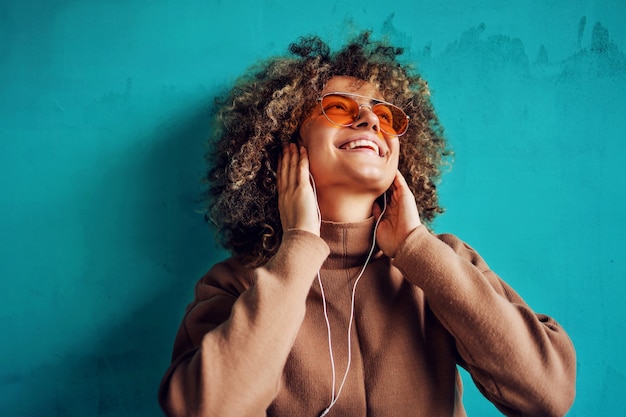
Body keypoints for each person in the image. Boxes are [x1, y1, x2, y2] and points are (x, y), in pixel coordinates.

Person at [158, 32, 576, 417]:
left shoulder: (442, 261)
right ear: (286, 143)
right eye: (340, 107)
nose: (371, 121)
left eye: (386, 116)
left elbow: (549, 392)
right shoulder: (237, 282)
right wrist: (300, 246)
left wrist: (416, 248)